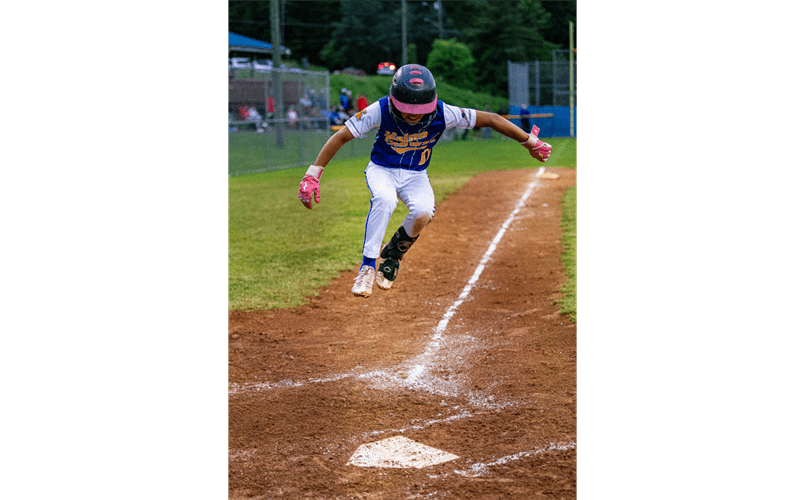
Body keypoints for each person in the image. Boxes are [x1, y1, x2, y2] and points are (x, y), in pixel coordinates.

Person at [297, 64, 552, 297]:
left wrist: (529, 142)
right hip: (382, 170)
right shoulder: (380, 109)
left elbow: (493, 119)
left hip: (415, 174)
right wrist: (313, 174)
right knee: (384, 200)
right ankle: (367, 267)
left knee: (422, 212)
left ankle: (393, 254)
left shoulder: (444, 113)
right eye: (407, 110)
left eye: (420, 111)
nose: (413, 116)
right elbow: (341, 136)